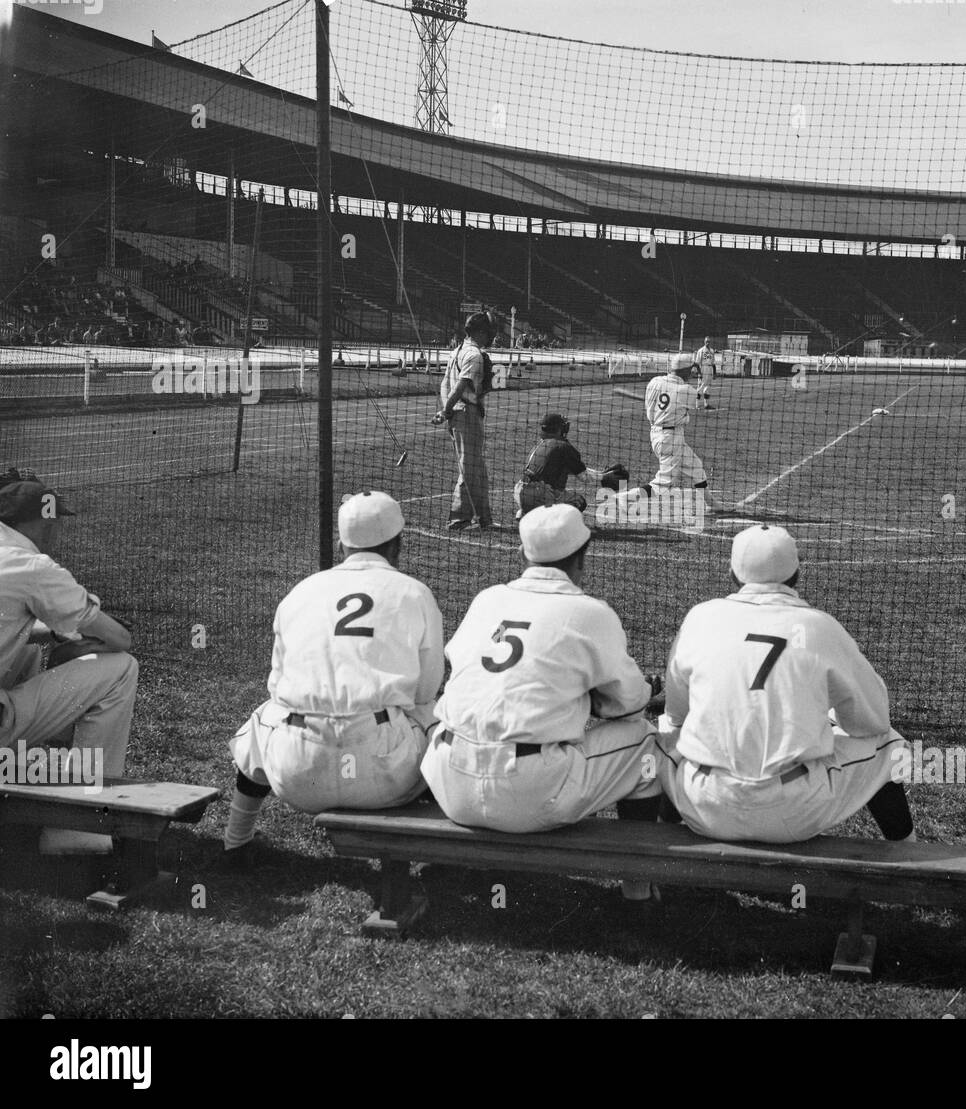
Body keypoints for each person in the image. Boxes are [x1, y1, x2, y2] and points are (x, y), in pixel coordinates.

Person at [421, 504, 663, 898]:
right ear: (582, 559)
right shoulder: (589, 612)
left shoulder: (487, 599)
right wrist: (637, 693)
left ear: (522, 555)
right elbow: (629, 705)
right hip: (529, 792)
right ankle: (637, 882)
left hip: (450, 781)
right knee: (645, 741)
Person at [655, 524, 916, 845]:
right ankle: (908, 852)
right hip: (794, 810)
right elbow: (874, 721)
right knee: (889, 745)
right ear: (796, 575)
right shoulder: (819, 626)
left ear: (732, 574)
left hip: (704, 804)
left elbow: (677, 714)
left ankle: (664, 842)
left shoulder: (700, 617)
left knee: (667, 729)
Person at [223, 491, 443, 865]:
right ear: (397, 544)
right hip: (384, 775)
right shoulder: (415, 593)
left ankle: (235, 841)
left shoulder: (301, 592)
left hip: (297, 773)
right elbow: (426, 690)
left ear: (341, 544)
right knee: (440, 713)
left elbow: (276, 685)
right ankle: (433, 856)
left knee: (264, 715)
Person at [0, 474, 139, 856]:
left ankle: (17, 781)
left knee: (26, 648)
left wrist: (53, 631)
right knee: (121, 668)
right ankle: (78, 830)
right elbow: (120, 639)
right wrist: (81, 630)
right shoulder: (32, 565)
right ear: (44, 521)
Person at [433, 312, 496, 531]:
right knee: (470, 468)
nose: (490, 336)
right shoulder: (475, 355)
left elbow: (444, 385)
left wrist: (446, 410)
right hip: (467, 413)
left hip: (458, 413)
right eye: (488, 332)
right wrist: (447, 410)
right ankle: (459, 519)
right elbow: (460, 387)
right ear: (481, 332)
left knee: (477, 467)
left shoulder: (456, 351)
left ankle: (484, 518)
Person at [641, 352, 720, 512]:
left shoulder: (654, 382)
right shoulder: (686, 390)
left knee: (695, 466)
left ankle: (711, 504)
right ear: (685, 371)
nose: (692, 372)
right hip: (670, 438)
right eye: (690, 369)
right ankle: (623, 499)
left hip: (658, 434)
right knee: (663, 483)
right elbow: (692, 407)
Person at [513, 412, 602, 519]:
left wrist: (602, 473)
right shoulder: (563, 446)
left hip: (519, 490)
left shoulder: (541, 444)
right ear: (559, 429)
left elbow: (569, 469)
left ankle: (525, 513)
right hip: (539, 494)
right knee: (579, 501)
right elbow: (584, 477)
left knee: (549, 490)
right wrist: (605, 477)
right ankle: (549, 521)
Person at [694, 336, 717, 410]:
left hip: (710, 369)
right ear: (704, 342)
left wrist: (714, 373)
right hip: (703, 368)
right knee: (700, 387)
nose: (707, 343)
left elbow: (713, 363)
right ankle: (697, 405)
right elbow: (697, 363)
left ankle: (706, 404)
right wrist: (699, 373)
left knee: (707, 387)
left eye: (709, 341)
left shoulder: (712, 351)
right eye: (706, 341)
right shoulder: (701, 350)